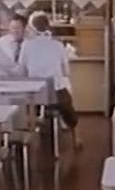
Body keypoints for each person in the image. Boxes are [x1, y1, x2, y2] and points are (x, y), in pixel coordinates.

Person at [18, 12, 81, 148]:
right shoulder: (58, 45)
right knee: (67, 105)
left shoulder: (26, 45)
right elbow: (66, 71)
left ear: (31, 28)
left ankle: (28, 136)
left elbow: (21, 70)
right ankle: (76, 135)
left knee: (24, 105)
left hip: (34, 95)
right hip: (56, 94)